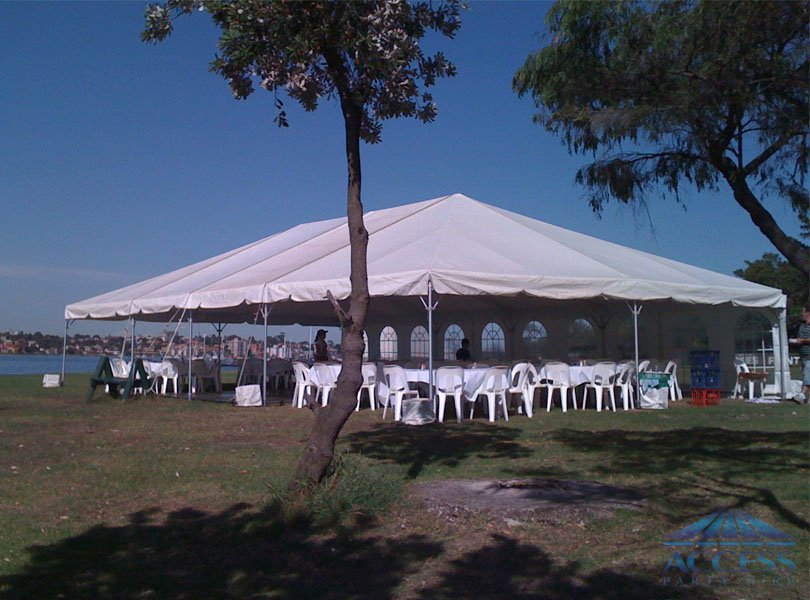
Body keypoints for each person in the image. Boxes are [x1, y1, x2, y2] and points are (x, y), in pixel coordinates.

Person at [792, 306, 810, 403]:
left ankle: (801, 394)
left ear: (808, 313)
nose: (801, 314)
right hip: (803, 354)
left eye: (802, 312)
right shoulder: (802, 326)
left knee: (808, 376)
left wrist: (803, 340)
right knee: (806, 375)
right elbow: (800, 337)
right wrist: (797, 341)